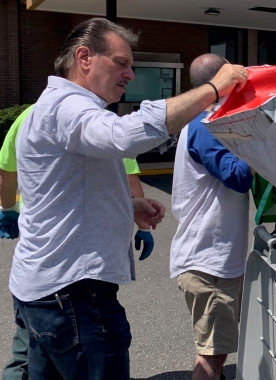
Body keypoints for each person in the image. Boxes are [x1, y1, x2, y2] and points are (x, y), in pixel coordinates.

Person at [10, 17, 247, 379]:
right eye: (121, 62)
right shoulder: (68, 106)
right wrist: (214, 89)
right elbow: (122, 136)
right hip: (73, 294)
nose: (131, 74)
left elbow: (57, 189)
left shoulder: (52, 106)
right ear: (84, 57)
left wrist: (128, 205)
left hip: (45, 290)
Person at [0, 105, 155, 380]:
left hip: (32, 268)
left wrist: (9, 210)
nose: (128, 75)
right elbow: (128, 179)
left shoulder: (27, 118)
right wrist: (144, 228)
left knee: (29, 348)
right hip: (71, 276)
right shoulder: (93, 122)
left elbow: (6, 172)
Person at [170, 53, 253, 380]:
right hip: (208, 264)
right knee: (212, 357)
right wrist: (262, 142)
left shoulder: (211, 124)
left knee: (215, 352)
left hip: (217, 260)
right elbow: (239, 176)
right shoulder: (206, 126)